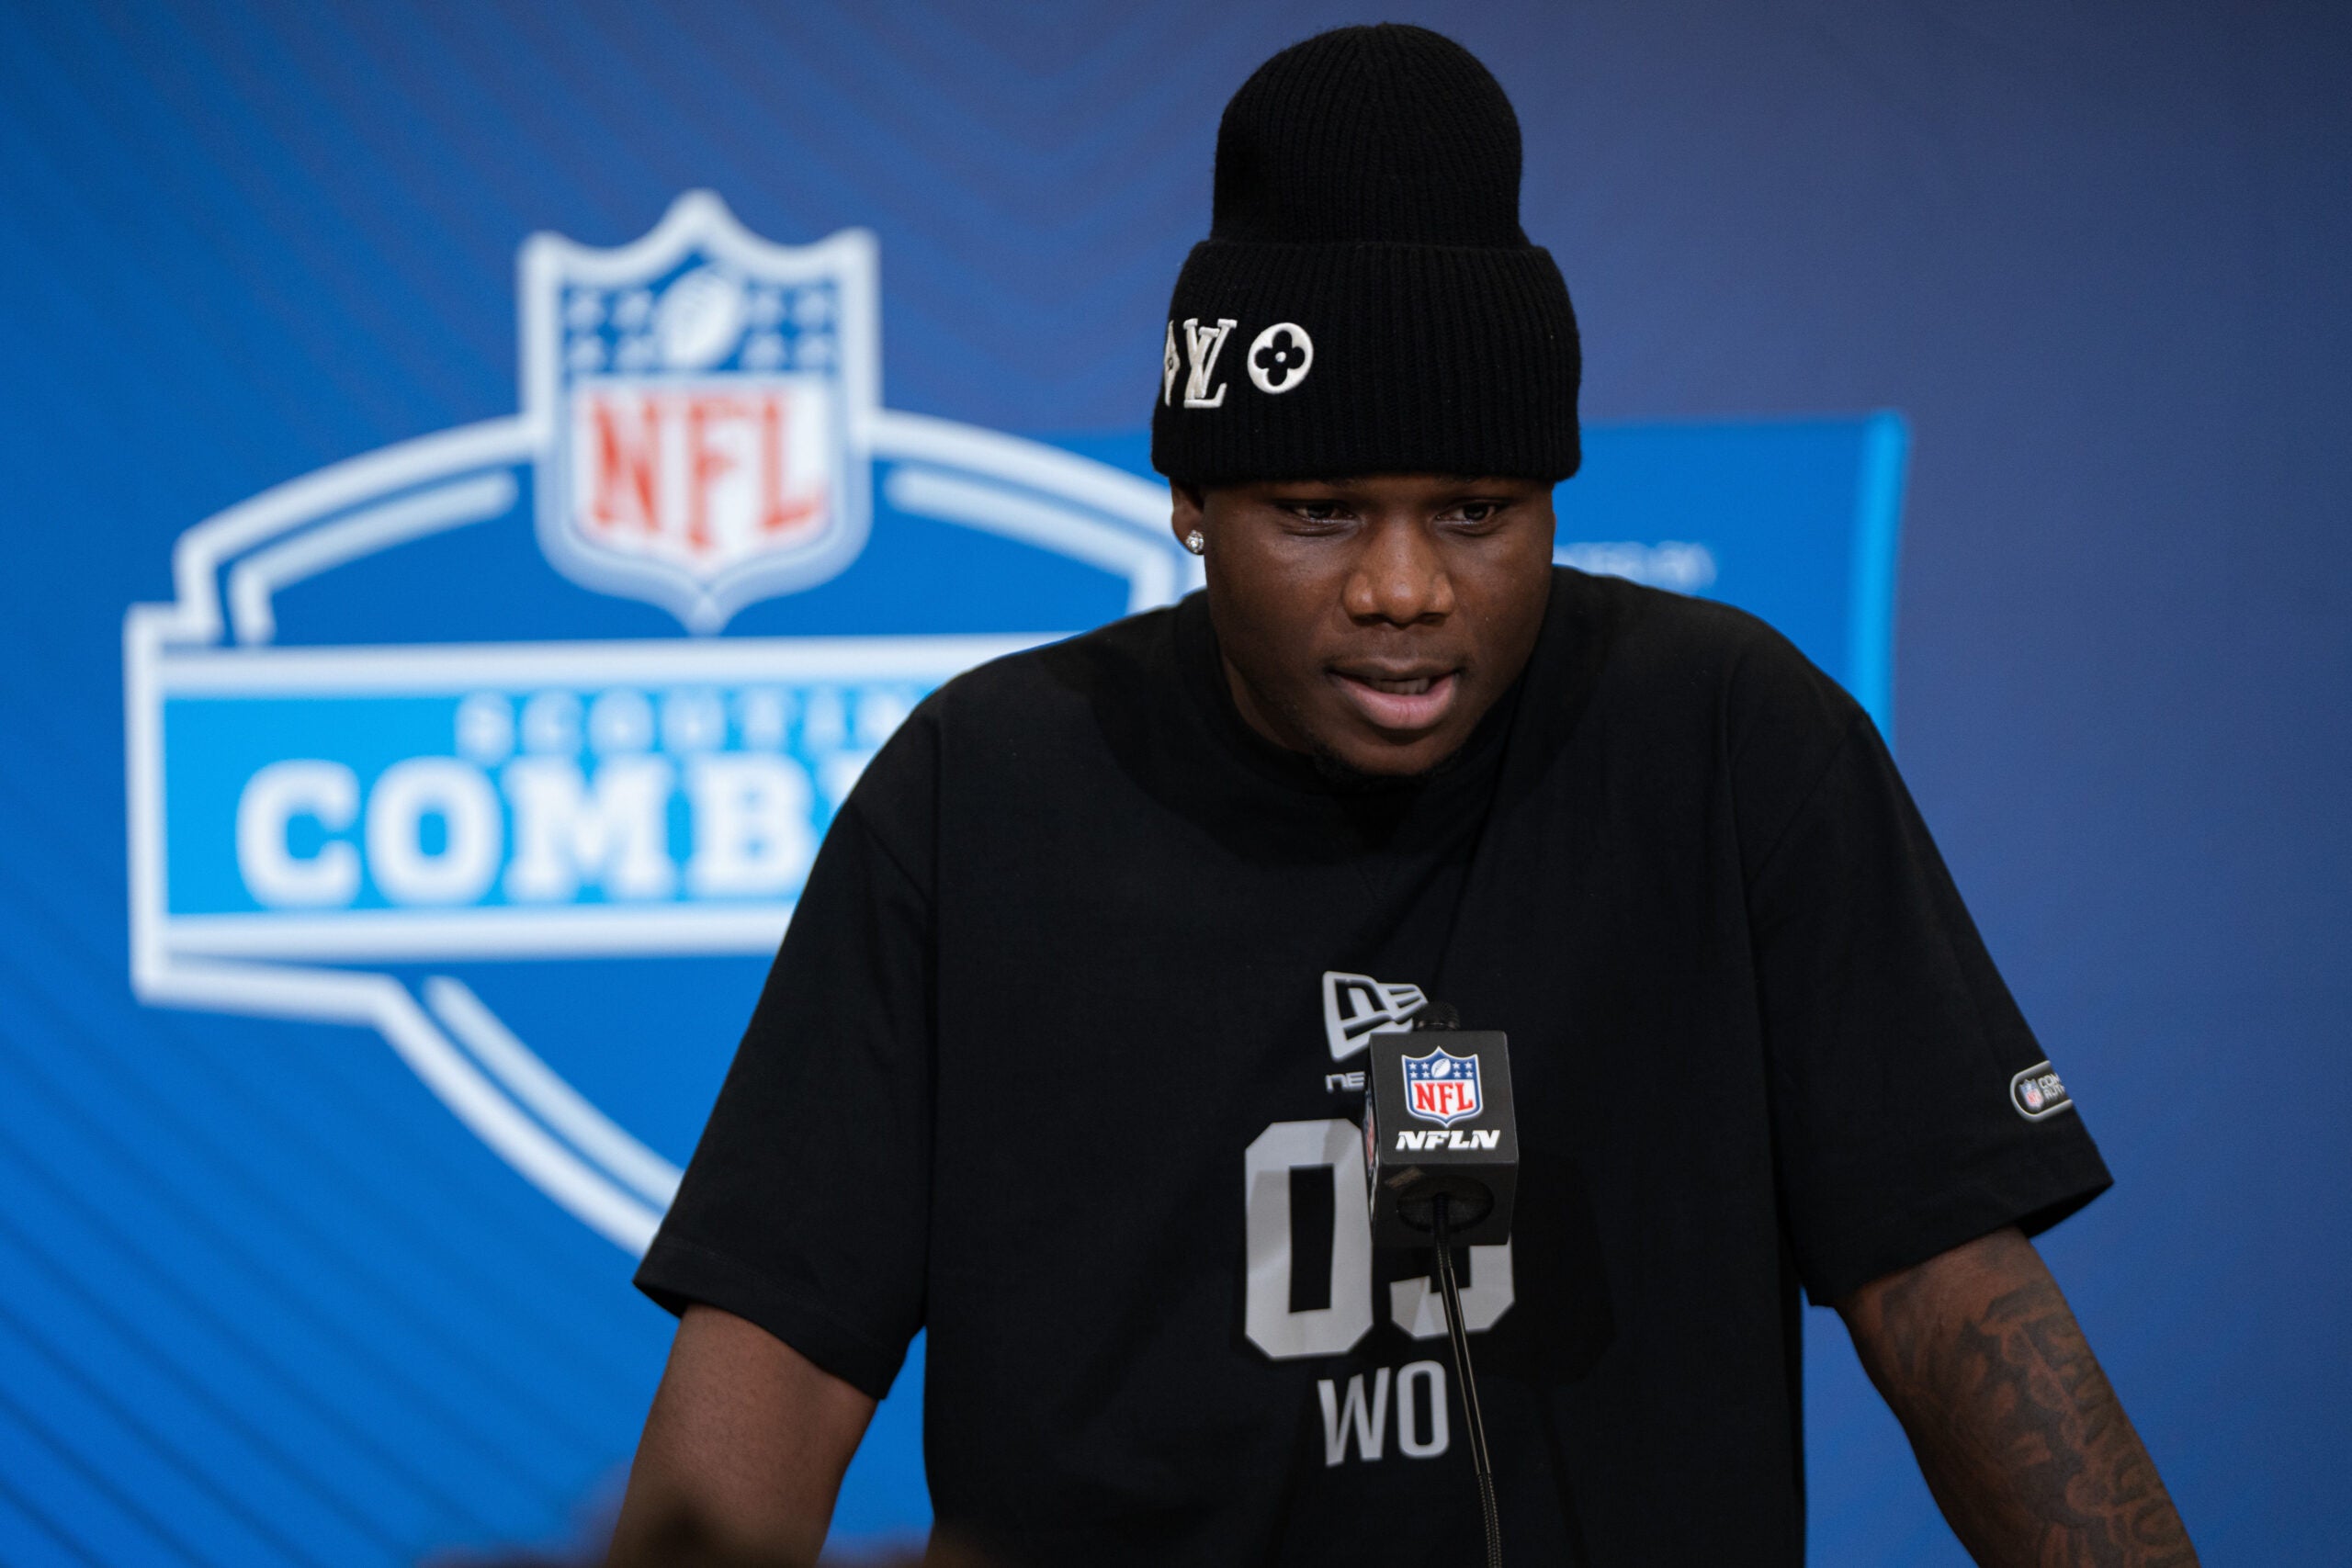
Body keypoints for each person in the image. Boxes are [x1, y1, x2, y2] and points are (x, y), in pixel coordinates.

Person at [613, 24, 2197, 1568]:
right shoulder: (982, 791)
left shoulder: (1730, 736)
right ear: (1190, 499)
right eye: (1316, 510)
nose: (1402, 587)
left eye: (1474, 508)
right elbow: (780, 1360)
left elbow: (1949, 1293)